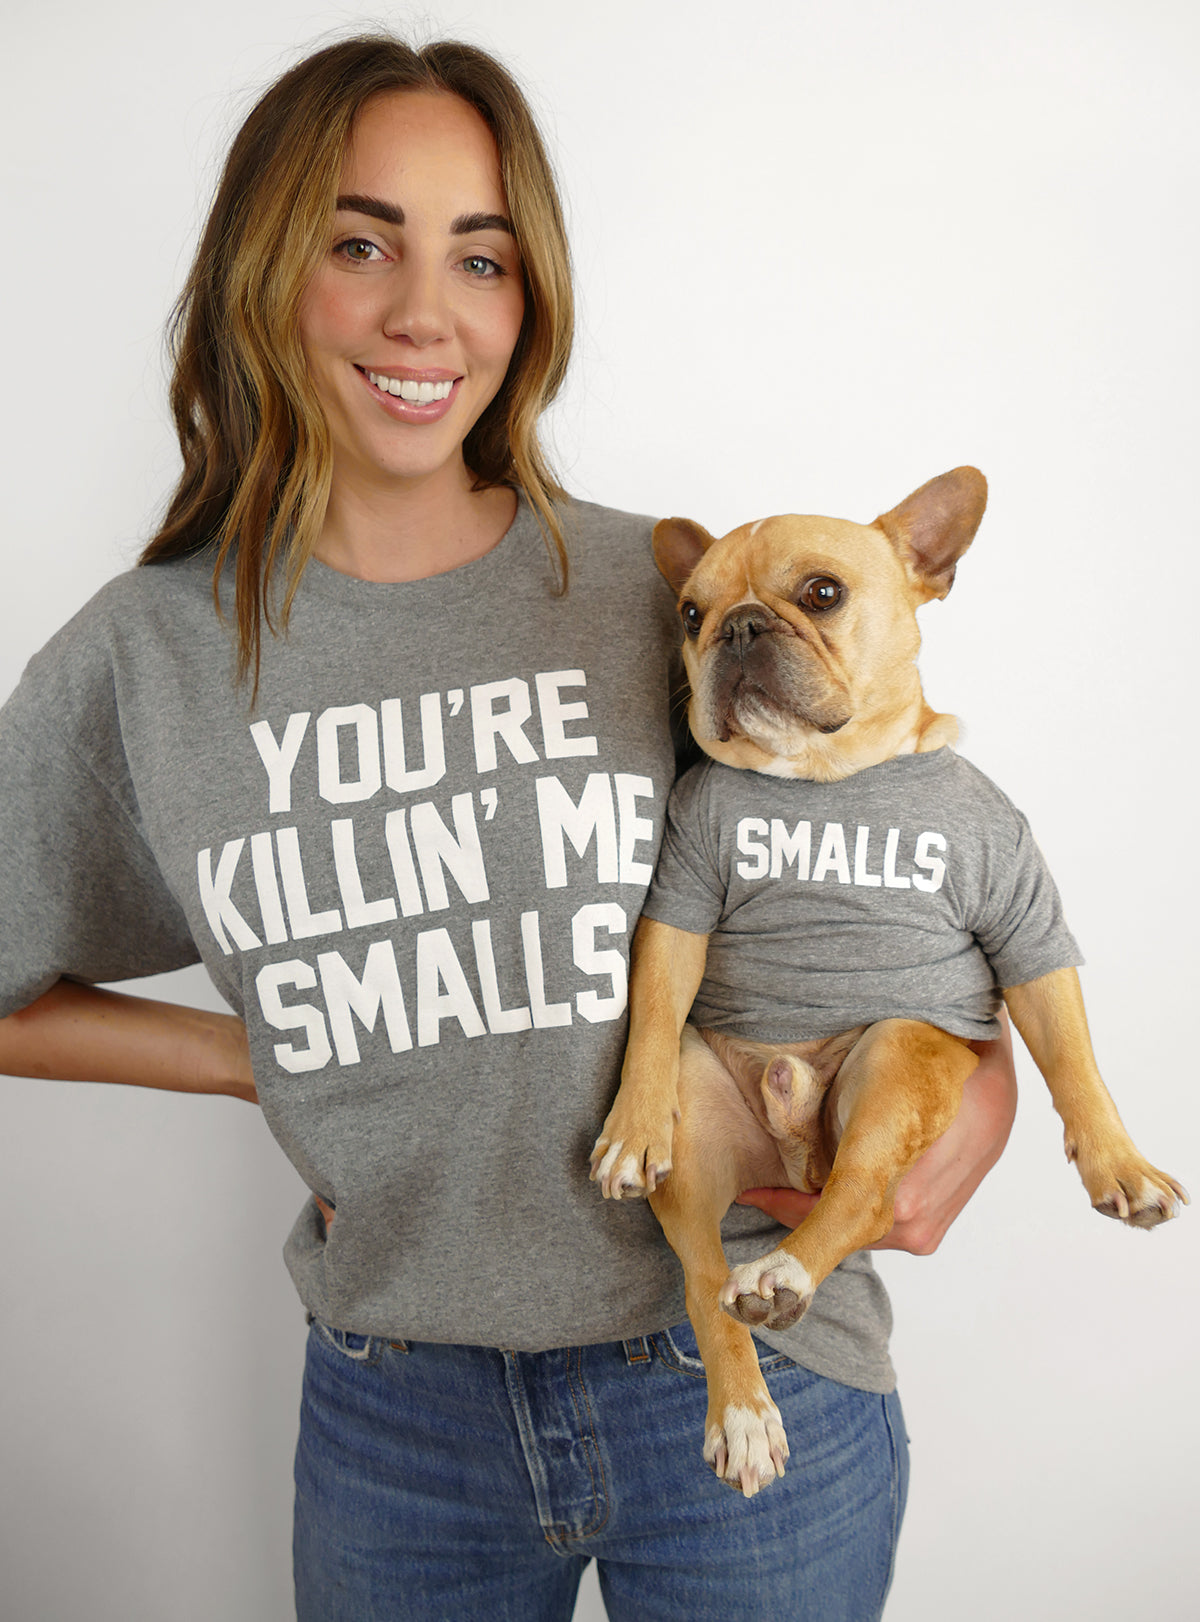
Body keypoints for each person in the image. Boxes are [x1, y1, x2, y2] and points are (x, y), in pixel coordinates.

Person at [0, 34, 1017, 1621]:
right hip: (405, 1417)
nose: (427, 311)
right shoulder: (152, 657)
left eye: (481, 256)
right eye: (361, 242)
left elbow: (895, 868)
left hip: (747, 1375)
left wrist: (987, 1088)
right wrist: (269, 1054)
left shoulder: (665, 596)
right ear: (265, 273)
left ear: (525, 297)